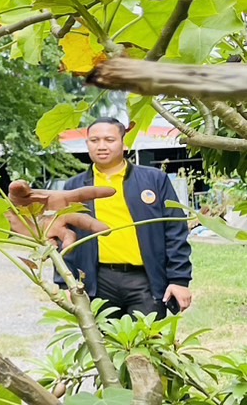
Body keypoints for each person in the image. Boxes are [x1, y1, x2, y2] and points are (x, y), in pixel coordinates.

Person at [60, 116, 193, 319]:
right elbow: (64, 236)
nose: (101, 146)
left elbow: (174, 230)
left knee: (146, 345)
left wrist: (179, 280)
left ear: (124, 142)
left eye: (109, 140)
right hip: (96, 281)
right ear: (87, 144)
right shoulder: (74, 188)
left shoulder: (154, 179)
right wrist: (66, 283)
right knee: (103, 347)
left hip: (146, 280)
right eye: (94, 140)